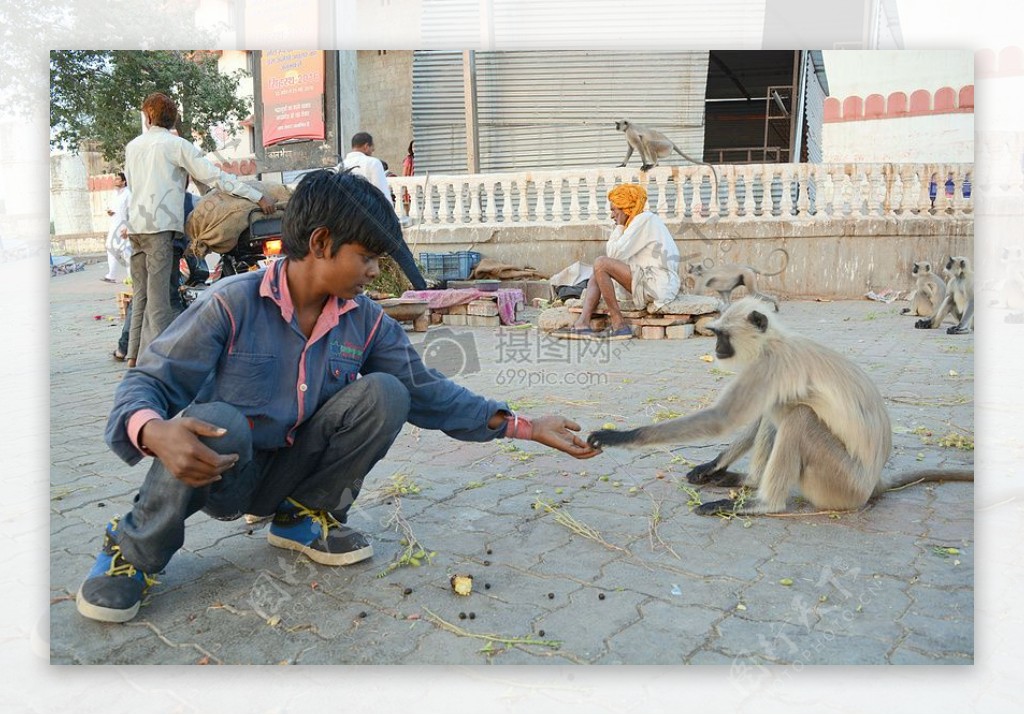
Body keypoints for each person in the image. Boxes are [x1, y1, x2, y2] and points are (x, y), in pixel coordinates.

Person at [76, 169, 599, 623]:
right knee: (216, 420)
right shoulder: (230, 304)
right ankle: (133, 553)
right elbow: (147, 383)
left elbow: (428, 393)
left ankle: (303, 517)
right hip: (222, 472)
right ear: (322, 242)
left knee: (387, 393)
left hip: (292, 472)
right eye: (367, 257)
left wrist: (525, 426)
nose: (375, 271)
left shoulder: (367, 322)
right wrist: (153, 429)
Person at [123, 92, 276, 368]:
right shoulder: (176, 145)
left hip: (136, 228)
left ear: (147, 118)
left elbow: (134, 186)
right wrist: (255, 196)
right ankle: (160, 369)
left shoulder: (133, 146)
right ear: (172, 119)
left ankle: (133, 359)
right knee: (161, 303)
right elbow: (214, 177)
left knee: (141, 297)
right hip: (161, 229)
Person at [554, 183, 680, 341]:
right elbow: (619, 260)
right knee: (597, 270)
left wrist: (619, 226)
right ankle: (582, 324)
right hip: (650, 281)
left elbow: (613, 254)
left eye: (614, 210)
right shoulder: (639, 222)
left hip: (657, 283)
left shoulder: (644, 220)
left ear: (626, 208)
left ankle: (619, 324)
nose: (612, 215)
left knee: (601, 263)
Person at [338, 132, 427, 290]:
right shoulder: (372, 163)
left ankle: (356, 292)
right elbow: (382, 194)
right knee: (403, 254)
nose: (372, 151)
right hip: (377, 219)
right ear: (366, 146)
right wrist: (393, 222)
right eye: (372, 147)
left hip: (352, 225)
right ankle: (422, 289)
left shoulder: (340, 167)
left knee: (358, 259)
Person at [101, 172, 131, 283]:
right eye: (115, 179)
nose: (116, 181)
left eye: (118, 179)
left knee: (127, 252)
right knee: (110, 248)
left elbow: (132, 212)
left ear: (124, 181)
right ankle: (111, 275)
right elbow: (111, 207)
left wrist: (129, 227)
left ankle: (132, 277)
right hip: (114, 226)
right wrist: (109, 211)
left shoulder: (128, 194)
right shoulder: (114, 194)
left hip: (124, 227)